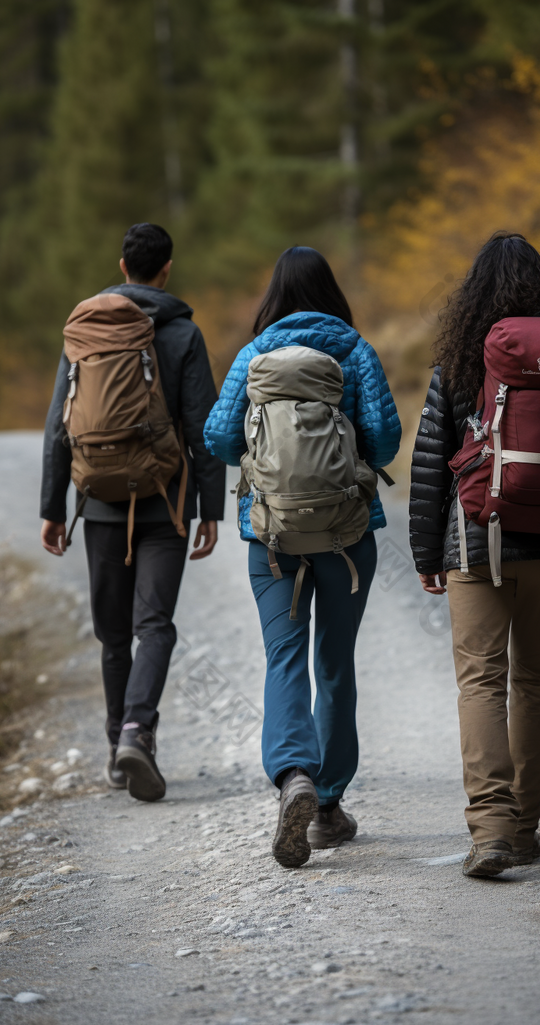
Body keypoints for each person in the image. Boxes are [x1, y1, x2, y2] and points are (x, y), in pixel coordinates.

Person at [409, 232, 540, 878]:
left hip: (478, 536)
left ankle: (492, 829)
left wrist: (427, 554)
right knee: (534, 680)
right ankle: (526, 830)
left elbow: (429, 463)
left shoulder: (466, 353)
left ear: (476, 288)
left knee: (481, 680)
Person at [205, 246, 401, 867]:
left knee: (284, 656)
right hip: (346, 534)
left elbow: (217, 438)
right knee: (335, 664)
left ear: (275, 294)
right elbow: (386, 438)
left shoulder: (254, 354)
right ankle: (327, 807)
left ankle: (293, 776)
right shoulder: (355, 349)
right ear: (331, 291)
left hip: (271, 535)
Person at [40, 222, 226, 801]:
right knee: (155, 627)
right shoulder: (183, 333)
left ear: (123, 267)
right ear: (165, 269)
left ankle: (116, 750)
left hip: (96, 502)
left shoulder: (85, 329)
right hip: (165, 502)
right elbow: (203, 427)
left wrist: (52, 507)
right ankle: (137, 732)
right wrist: (209, 508)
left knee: (113, 635)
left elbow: (58, 426)